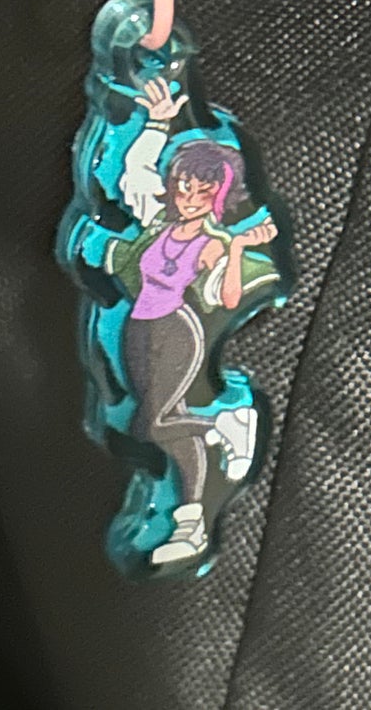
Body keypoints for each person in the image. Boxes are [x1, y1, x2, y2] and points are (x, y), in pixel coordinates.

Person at [109, 76, 279, 568]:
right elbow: (134, 175)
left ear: (217, 199)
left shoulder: (212, 243)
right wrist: (157, 124)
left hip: (177, 330)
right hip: (137, 327)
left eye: (203, 192)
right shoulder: (158, 223)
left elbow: (227, 297)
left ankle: (226, 420)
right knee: (159, 426)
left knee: (153, 423)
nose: (189, 196)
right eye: (184, 185)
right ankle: (191, 527)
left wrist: (238, 247)